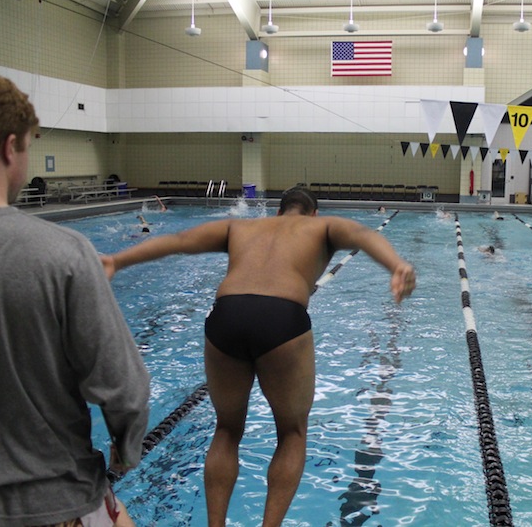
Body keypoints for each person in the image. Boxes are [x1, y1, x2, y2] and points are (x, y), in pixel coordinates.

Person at [100, 186, 416, 527]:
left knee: (226, 430)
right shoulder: (321, 227)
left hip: (226, 315)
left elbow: (180, 240)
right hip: (282, 317)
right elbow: (364, 234)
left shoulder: (242, 227)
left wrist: (118, 260)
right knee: (292, 433)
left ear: (278, 212)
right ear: (313, 213)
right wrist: (396, 265)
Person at [0, 68, 150, 527]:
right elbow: (124, 388)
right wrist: (125, 451)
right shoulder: (60, 253)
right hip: (53, 503)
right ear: (8, 149)